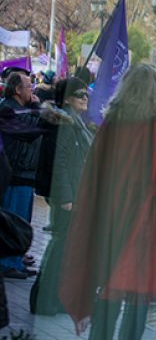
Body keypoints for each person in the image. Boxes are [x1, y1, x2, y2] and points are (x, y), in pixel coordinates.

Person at [58, 64, 156, 340]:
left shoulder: (112, 123)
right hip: (148, 219)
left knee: (111, 281)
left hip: (113, 214)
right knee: (139, 289)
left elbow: (94, 169)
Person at [32, 77, 93, 316]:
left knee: (64, 250)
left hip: (76, 195)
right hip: (69, 199)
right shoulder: (66, 124)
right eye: (79, 94)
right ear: (67, 99)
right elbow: (61, 163)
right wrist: (66, 198)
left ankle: (53, 299)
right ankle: (44, 301)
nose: (85, 97)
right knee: (59, 250)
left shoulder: (76, 121)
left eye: (86, 93)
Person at [0, 72, 43, 279]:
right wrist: (38, 109)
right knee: (13, 218)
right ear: (17, 89)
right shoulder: (8, 109)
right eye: (28, 86)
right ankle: (7, 262)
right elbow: (30, 129)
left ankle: (16, 258)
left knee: (22, 220)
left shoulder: (21, 108)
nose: (31, 90)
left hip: (26, 174)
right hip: (16, 175)